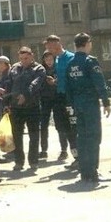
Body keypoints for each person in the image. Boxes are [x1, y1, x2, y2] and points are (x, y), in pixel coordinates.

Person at [64, 32, 111, 183]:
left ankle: (84, 172)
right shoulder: (90, 61)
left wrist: (71, 104)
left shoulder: (70, 63)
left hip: (78, 104)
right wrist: (106, 101)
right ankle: (93, 171)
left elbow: (67, 87)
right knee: (94, 137)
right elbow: (99, 82)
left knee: (82, 138)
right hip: (90, 103)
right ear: (87, 43)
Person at [3, 46, 45, 172]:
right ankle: (19, 162)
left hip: (32, 106)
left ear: (32, 56)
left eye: (26, 58)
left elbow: (36, 84)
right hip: (16, 108)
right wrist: (5, 102)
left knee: (33, 135)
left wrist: (25, 95)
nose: (24, 61)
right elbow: (8, 85)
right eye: (21, 58)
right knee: (16, 136)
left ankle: (33, 161)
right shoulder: (14, 68)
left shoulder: (39, 69)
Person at [43, 35, 79, 167]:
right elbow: (62, 78)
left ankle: (82, 158)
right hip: (60, 98)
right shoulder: (57, 60)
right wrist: (55, 82)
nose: (48, 50)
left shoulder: (71, 58)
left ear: (57, 43)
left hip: (71, 99)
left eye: (49, 46)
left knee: (75, 129)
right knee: (65, 129)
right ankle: (76, 157)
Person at [38, 50, 62, 160]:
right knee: (43, 126)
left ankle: (64, 149)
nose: (48, 62)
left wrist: (55, 82)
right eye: (46, 59)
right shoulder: (41, 70)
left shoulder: (59, 68)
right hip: (45, 99)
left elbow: (62, 82)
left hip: (57, 99)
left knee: (60, 125)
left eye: (50, 59)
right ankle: (43, 150)